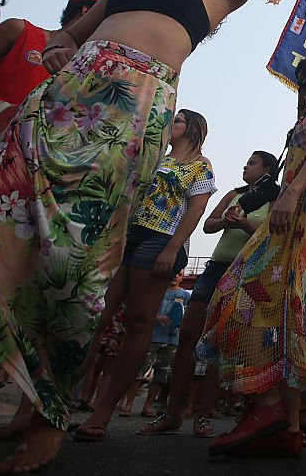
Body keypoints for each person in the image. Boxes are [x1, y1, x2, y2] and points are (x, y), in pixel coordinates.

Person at [0, 0, 292, 473]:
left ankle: (47, 419)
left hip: (124, 125)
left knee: (77, 268)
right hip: (55, 113)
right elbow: (63, 40)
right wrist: (60, 53)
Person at [196, 53, 306, 458]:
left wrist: (293, 193)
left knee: (245, 295)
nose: (297, 81)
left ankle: (270, 410)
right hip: (299, 211)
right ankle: (290, 424)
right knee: (285, 310)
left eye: (301, 76)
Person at [76, 109, 215, 440]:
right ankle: (56, 401)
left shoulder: (200, 165)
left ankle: (102, 414)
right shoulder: (155, 156)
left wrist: (171, 250)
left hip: (160, 239)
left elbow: (196, 210)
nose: (171, 124)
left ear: (193, 128)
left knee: (138, 323)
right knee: (95, 315)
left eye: (178, 120)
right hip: (125, 235)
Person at [138, 150, 279, 439]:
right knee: (189, 333)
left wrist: (245, 224)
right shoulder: (234, 194)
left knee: (222, 342)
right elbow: (208, 224)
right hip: (214, 269)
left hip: (245, 271)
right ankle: (172, 413)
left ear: (267, 169)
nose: (245, 165)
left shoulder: (274, 198)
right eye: (246, 160)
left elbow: (271, 238)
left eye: (252, 163)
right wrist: (227, 221)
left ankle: (203, 416)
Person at [138, 273, 191, 417]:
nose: (175, 276)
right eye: (174, 273)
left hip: (172, 340)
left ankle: (147, 406)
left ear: (182, 278)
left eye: (179, 274)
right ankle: (127, 404)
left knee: (161, 376)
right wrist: (156, 317)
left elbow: (187, 314)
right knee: (139, 371)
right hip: (152, 337)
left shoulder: (186, 295)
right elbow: (144, 309)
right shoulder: (157, 291)